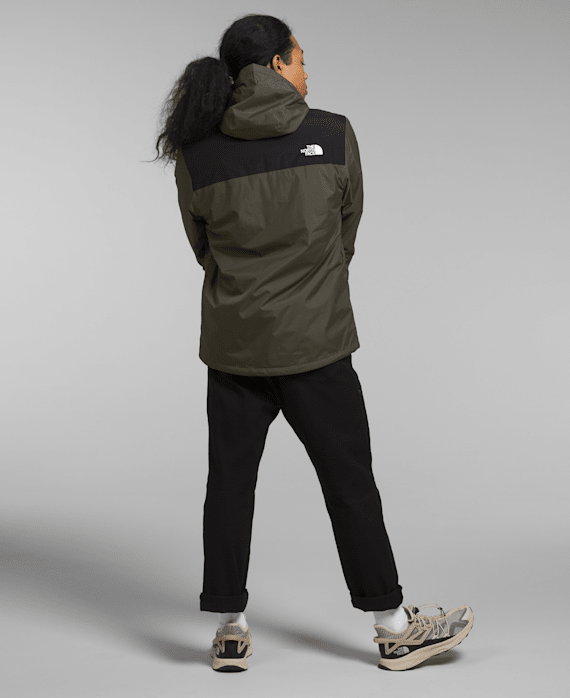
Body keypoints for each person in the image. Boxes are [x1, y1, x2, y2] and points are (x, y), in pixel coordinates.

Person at [149, 13, 473, 673]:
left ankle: (229, 630)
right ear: (274, 64)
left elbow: (203, 247)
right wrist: (311, 284)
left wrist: (249, 290)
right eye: (300, 58)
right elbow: (346, 232)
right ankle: (393, 629)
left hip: (235, 349)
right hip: (317, 347)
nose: (306, 69)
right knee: (350, 484)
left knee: (229, 485)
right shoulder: (332, 133)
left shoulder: (196, 152)